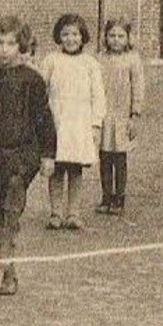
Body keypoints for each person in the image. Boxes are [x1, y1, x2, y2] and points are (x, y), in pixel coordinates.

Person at [0, 16, 56, 296]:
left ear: (21, 46)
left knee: (11, 204)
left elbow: (44, 119)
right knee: (0, 215)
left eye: (11, 43)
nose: (4, 50)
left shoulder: (32, 80)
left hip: (23, 153)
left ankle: (9, 269)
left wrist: (48, 154)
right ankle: (8, 265)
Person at [38, 13, 106, 230]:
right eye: (65, 34)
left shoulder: (90, 64)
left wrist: (96, 124)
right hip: (57, 121)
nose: (70, 39)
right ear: (58, 36)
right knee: (56, 167)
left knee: (75, 168)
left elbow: (98, 96)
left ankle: (73, 212)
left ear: (83, 36)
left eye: (75, 34)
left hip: (80, 123)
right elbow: (42, 91)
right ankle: (56, 212)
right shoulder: (51, 61)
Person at [96, 18, 145, 215]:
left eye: (120, 36)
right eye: (112, 36)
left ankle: (120, 197)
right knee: (104, 156)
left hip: (123, 114)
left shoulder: (133, 59)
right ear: (105, 38)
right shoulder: (99, 59)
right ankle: (106, 196)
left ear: (127, 38)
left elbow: (138, 87)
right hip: (103, 114)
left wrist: (135, 114)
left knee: (120, 158)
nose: (116, 40)